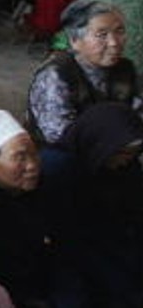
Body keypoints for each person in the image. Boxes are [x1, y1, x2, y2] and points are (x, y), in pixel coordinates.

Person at [0, 110, 83, 307]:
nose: (32, 166)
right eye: (20, 158)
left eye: (34, 153)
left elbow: (64, 251)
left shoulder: (51, 181)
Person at [61, 102, 143, 307]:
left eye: (134, 153)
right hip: (83, 257)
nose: (127, 161)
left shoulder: (128, 170)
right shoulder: (62, 172)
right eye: (122, 153)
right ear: (100, 144)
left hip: (123, 248)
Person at [27, 0, 141, 145]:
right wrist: (111, 148)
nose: (114, 43)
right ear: (75, 41)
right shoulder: (57, 74)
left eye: (119, 31)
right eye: (102, 35)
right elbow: (59, 133)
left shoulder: (126, 68)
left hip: (117, 148)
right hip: (66, 151)